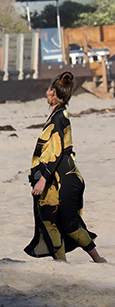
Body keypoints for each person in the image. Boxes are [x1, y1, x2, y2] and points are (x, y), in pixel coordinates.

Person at [24, 71, 106, 263]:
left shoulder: (60, 117)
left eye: (48, 89)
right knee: (48, 219)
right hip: (56, 179)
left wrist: (43, 179)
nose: (46, 92)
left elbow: (57, 151)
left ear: (53, 92)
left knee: (69, 224)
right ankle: (61, 263)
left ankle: (98, 259)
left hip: (65, 180)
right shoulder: (56, 115)